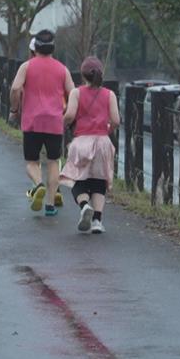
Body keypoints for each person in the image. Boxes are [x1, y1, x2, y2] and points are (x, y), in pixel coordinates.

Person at [9, 29, 75, 216]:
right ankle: (50, 205)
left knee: (31, 161)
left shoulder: (27, 67)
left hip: (32, 122)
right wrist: (69, 113)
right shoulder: (62, 69)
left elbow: (15, 88)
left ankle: (38, 185)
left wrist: (14, 109)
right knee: (54, 161)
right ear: (53, 48)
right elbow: (74, 93)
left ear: (35, 47)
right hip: (54, 122)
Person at [60, 57, 118, 234]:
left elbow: (70, 115)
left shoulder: (77, 93)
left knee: (77, 178)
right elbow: (116, 120)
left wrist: (62, 123)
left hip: (82, 141)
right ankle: (97, 221)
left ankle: (84, 205)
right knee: (99, 181)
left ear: (83, 74)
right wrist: (108, 129)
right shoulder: (110, 94)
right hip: (102, 142)